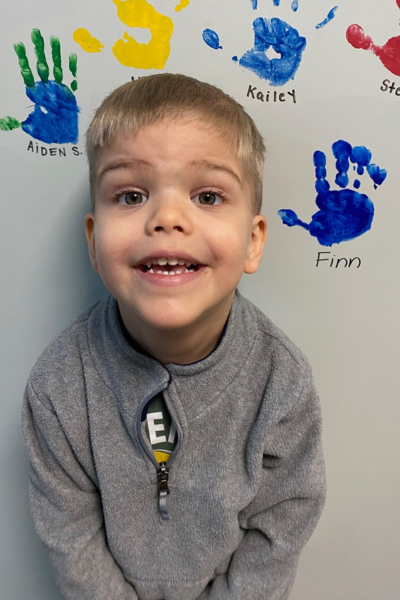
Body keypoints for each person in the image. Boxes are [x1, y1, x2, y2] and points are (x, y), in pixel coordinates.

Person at [22, 73, 326, 600]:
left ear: (253, 243)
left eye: (208, 195)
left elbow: (280, 527)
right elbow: (71, 538)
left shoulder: (282, 381)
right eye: (131, 194)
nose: (167, 217)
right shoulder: (59, 385)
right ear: (94, 244)